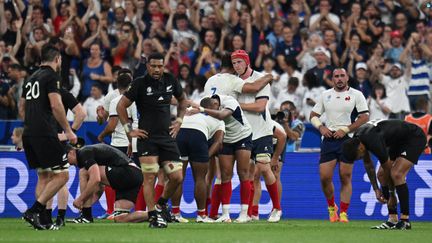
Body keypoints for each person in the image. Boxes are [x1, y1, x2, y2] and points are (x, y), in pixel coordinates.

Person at [116, 52, 188, 228]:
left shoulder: (171, 79)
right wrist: (129, 130)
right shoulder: (139, 83)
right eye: (153, 66)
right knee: (150, 178)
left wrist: (179, 121)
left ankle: (161, 204)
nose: (157, 69)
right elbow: (121, 106)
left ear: (164, 66)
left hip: (167, 138)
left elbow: (183, 100)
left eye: (160, 66)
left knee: (177, 177)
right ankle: (153, 215)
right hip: (147, 139)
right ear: (147, 66)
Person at [20, 44, 77, 230]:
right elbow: (56, 105)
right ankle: (34, 211)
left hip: (28, 132)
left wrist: (31, 122)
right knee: (63, 175)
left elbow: (22, 107)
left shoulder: (30, 78)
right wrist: (68, 130)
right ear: (57, 59)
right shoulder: (52, 76)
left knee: (44, 176)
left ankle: (43, 220)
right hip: (45, 133)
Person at [342, 119, 427, 230]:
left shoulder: (373, 141)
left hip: (414, 137)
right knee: (381, 176)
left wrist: (392, 195)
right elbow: (369, 165)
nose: (361, 158)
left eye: (359, 157)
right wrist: (376, 189)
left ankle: (405, 220)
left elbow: (388, 170)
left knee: (396, 174)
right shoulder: (358, 139)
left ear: (360, 148)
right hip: (397, 141)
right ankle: (392, 219)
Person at [309, 68, 369, 223]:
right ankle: (331, 208)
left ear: (347, 77)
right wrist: (321, 128)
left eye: (342, 76)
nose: (340, 79)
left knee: (345, 176)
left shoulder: (356, 94)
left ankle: (343, 213)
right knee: (325, 177)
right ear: (332, 79)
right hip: (329, 139)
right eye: (336, 76)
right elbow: (313, 115)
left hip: (348, 140)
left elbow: (365, 117)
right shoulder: (325, 95)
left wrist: (346, 129)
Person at [232, 50, 282, 223]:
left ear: (247, 62)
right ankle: (251, 212)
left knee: (264, 167)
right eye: (234, 63)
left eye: (239, 62)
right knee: (249, 174)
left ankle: (277, 208)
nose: (236, 66)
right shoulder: (233, 81)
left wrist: (237, 105)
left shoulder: (261, 79)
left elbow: (261, 106)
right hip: (244, 133)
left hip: (261, 131)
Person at [190, 94, 252, 223]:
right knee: (225, 175)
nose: (214, 110)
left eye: (215, 107)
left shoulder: (230, 101)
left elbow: (222, 115)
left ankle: (244, 213)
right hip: (225, 139)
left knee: (243, 173)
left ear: (216, 103)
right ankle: (225, 214)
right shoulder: (207, 102)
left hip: (243, 136)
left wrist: (202, 110)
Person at [66, 143, 148, 223]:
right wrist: (86, 204)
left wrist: (81, 200)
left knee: (84, 172)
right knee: (120, 218)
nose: (66, 162)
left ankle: (86, 216)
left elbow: (96, 179)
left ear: (71, 152)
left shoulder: (84, 153)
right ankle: (154, 214)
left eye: (65, 158)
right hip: (135, 176)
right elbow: (99, 188)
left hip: (128, 172)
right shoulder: (94, 157)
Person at [173, 97, 225, 223]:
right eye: (215, 104)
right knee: (200, 178)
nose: (217, 106)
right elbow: (218, 142)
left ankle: (175, 214)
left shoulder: (188, 111)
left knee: (179, 176)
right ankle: (201, 215)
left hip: (180, 134)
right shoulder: (219, 119)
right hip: (198, 135)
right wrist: (207, 156)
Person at [48, 88, 86, 227]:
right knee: (51, 179)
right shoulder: (51, 91)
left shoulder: (59, 93)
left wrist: (68, 134)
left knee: (55, 178)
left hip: (52, 140)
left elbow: (81, 113)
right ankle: (53, 217)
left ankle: (54, 217)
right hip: (45, 139)